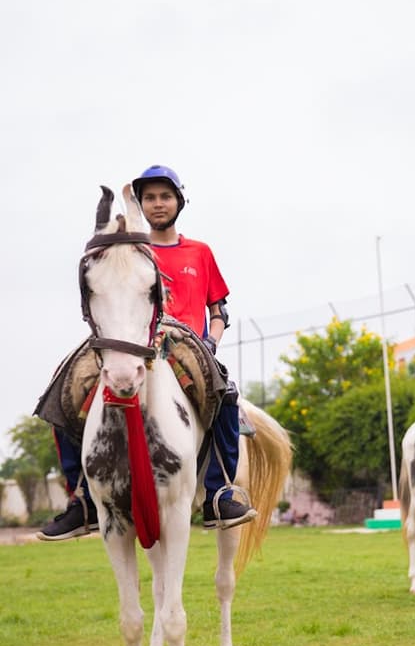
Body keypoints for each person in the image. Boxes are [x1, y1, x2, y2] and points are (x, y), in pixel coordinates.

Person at [38, 165, 256, 539]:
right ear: (140, 204)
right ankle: (83, 498)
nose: (158, 204)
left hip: (185, 342)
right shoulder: (130, 250)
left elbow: (218, 310)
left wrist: (211, 342)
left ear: (179, 201)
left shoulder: (200, 252)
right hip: (133, 339)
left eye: (165, 196)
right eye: (150, 198)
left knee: (227, 395)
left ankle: (219, 492)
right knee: (65, 387)